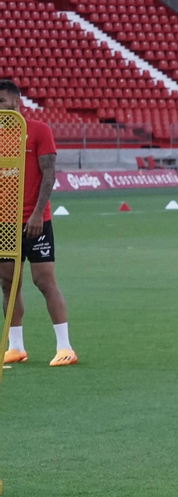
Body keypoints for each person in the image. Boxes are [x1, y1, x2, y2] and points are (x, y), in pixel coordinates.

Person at [0, 79, 75, 367]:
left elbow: (49, 174)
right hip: (5, 223)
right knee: (9, 284)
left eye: (2, 102)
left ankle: (65, 347)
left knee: (44, 281)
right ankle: (16, 347)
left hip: (35, 219)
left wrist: (37, 214)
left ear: (16, 102)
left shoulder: (39, 130)